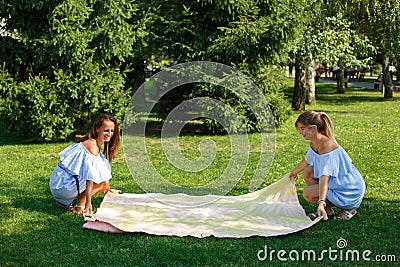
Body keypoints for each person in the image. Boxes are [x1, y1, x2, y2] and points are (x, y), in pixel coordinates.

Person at [289, 110, 365, 221]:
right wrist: (293, 172)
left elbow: (324, 177)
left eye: (302, 129)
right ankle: (328, 210)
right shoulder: (314, 144)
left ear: (313, 128)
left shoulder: (327, 147)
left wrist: (321, 202)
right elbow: (307, 160)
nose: (300, 132)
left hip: (349, 189)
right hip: (337, 182)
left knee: (307, 193)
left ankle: (349, 209)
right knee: (308, 171)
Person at [49, 113, 120, 217]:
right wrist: (87, 203)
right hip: (64, 187)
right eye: (106, 130)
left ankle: (64, 202)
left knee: (103, 176)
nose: (109, 134)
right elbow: (89, 178)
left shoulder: (89, 141)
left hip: (57, 185)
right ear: (97, 129)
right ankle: (80, 205)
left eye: (112, 131)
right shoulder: (92, 147)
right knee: (104, 182)